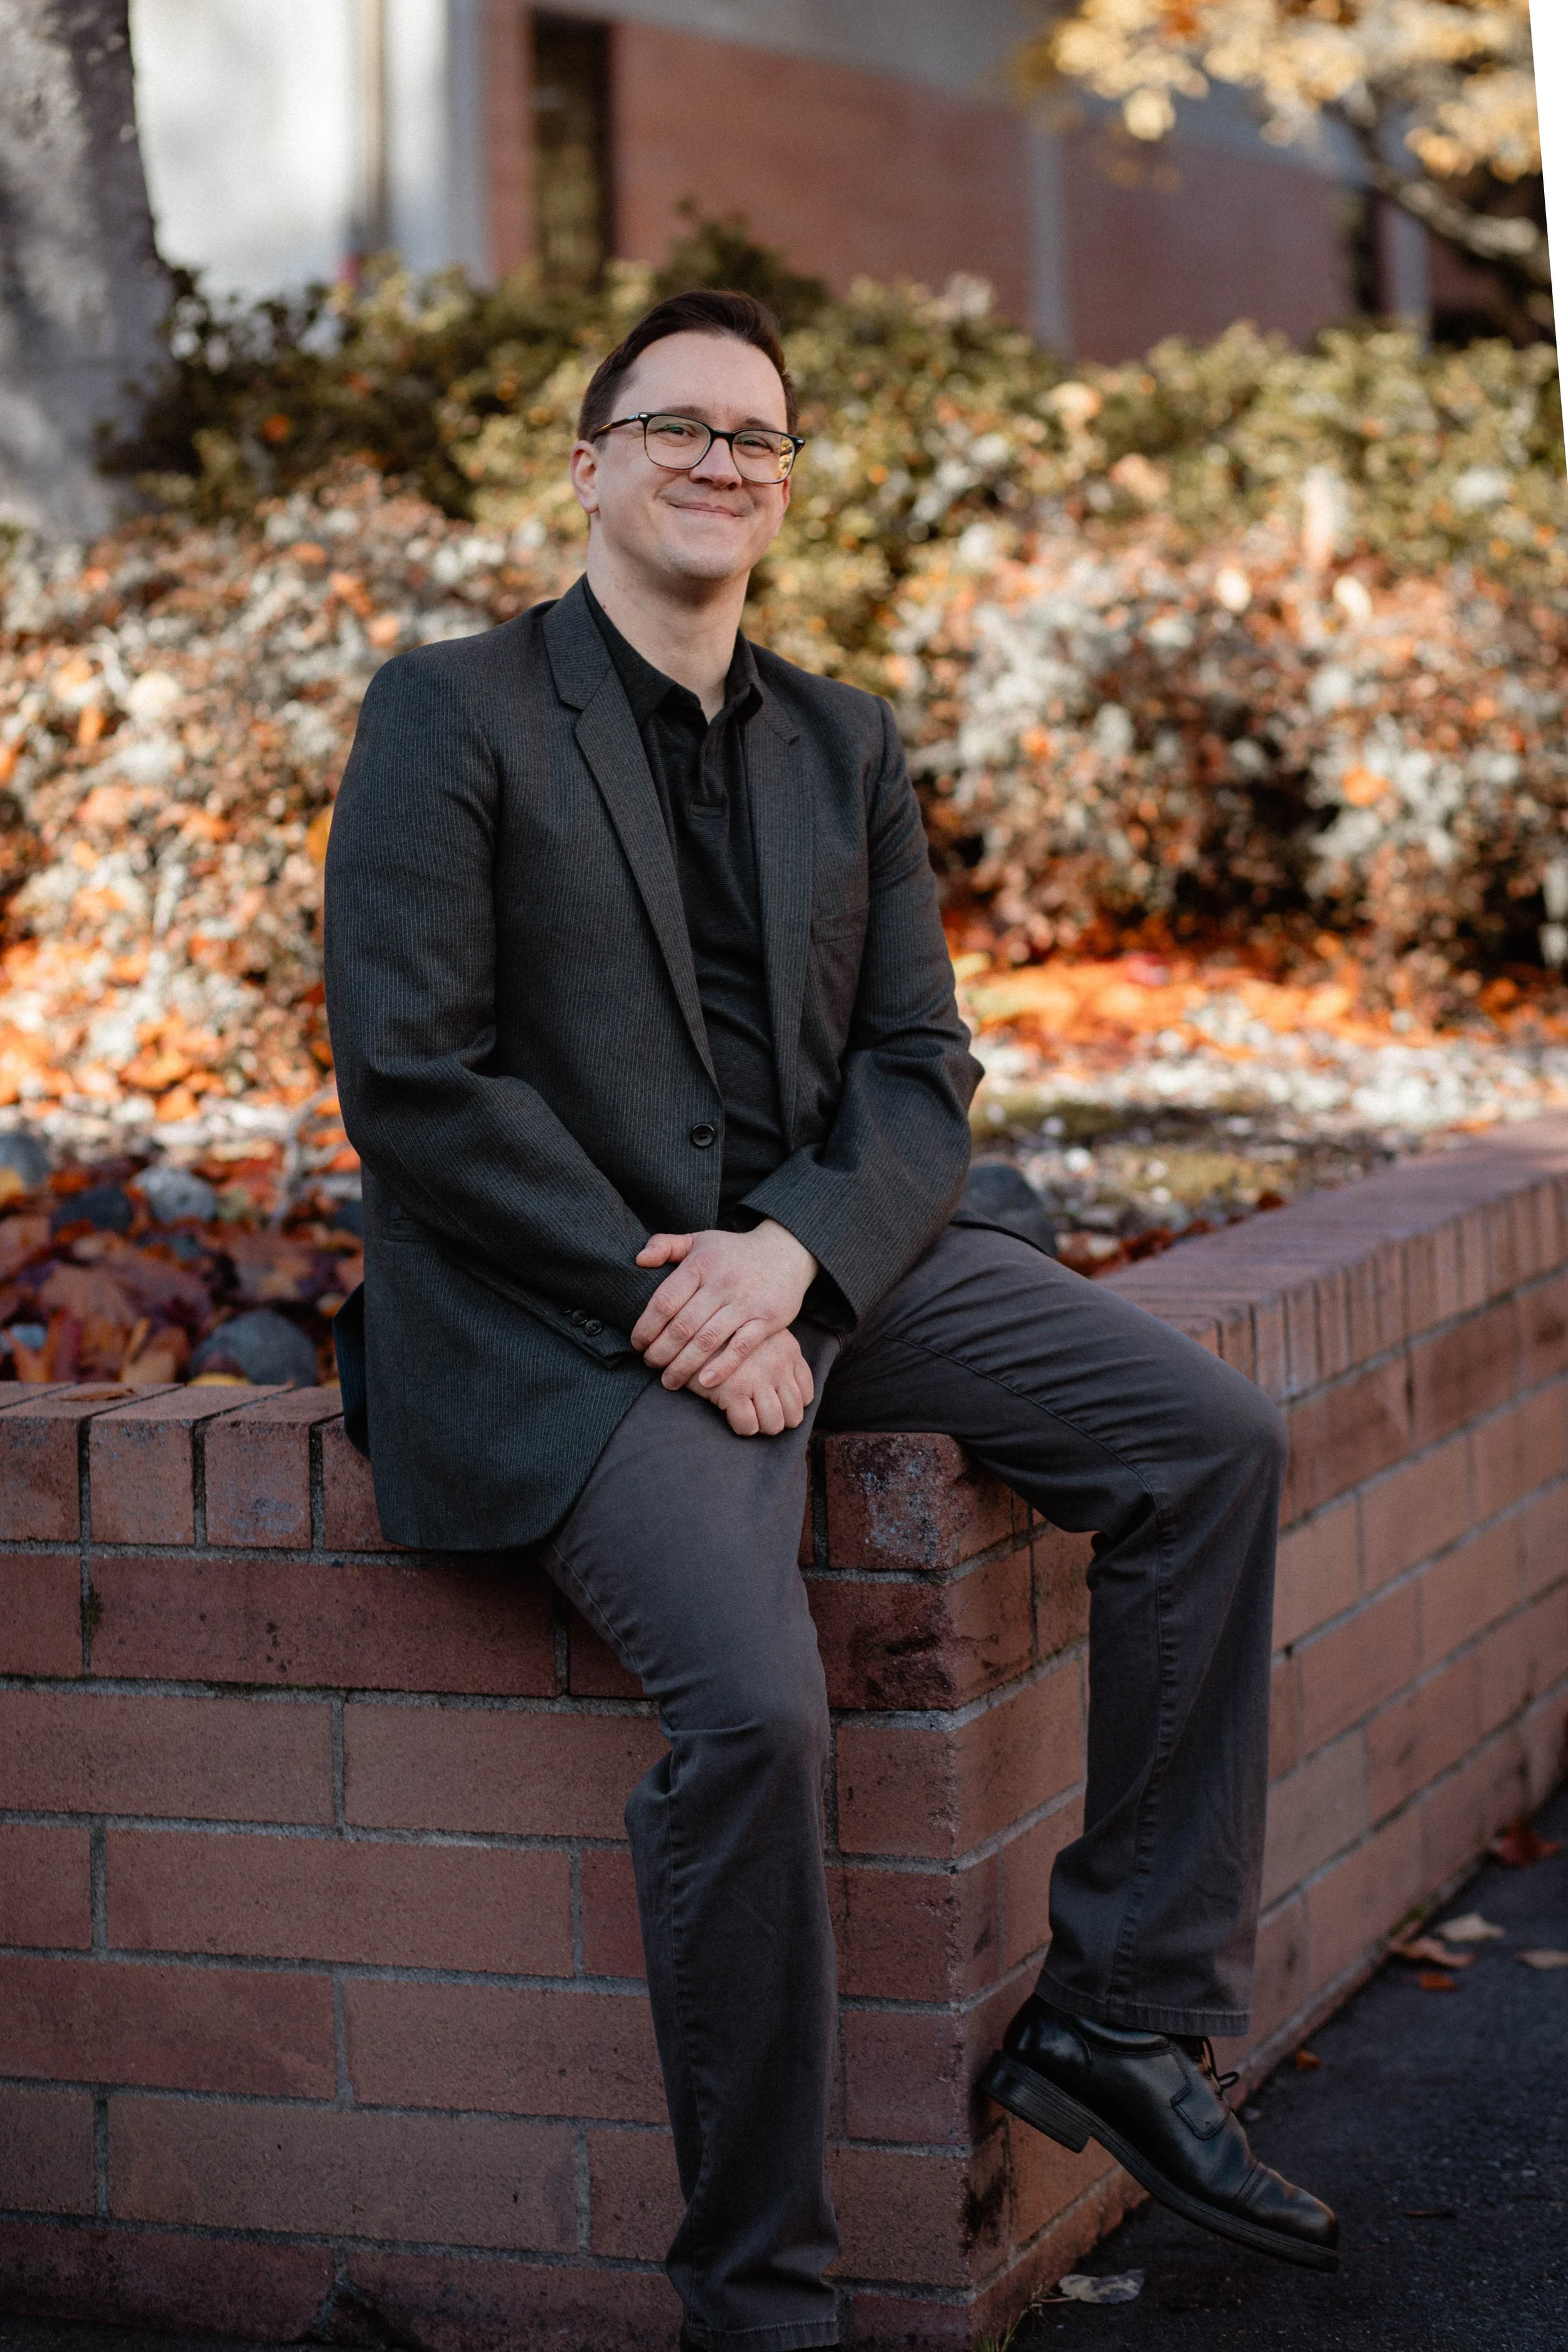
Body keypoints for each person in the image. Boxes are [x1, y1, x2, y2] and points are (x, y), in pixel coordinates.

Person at [324, 288, 1337, 2352]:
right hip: (559, 1308)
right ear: (587, 461)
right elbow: (413, 1076)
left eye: (758, 440)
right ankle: (762, 2299)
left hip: (812, 1266)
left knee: (1204, 1443)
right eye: (676, 426)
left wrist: (788, 1259)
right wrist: (684, 1293)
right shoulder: (452, 708)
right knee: (758, 1711)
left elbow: (917, 1062)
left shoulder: (842, 737)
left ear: (784, 489)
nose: (720, 462)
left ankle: (1125, 2020)